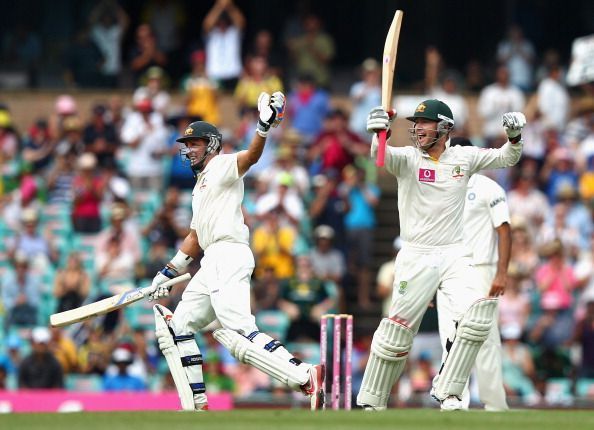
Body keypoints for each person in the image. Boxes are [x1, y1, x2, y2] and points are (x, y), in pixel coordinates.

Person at [148, 91, 324, 412]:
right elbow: (194, 237)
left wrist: (262, 127)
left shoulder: (223, 165)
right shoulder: (199, 186)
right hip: (210, 260)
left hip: (229, 255)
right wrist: (167, 273)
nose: (188, 150)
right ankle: (196, 404)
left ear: (212, 145)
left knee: (240, 332)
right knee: (181, 325)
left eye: (195, 144)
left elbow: (251, 157)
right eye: (186, 145)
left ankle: (304, 374)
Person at [357, 99, 526, 411]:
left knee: (474, 320)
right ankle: (372, 400)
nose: (418, 128)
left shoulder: (464, 157)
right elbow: (380, 158)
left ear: (445, 128)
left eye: (426, 122)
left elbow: (507, 157)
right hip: (415, 255)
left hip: (455, 253)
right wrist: (380, 133)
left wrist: (515, 136)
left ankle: (449, 392)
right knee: (397, 331)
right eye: (415, 123)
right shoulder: (408, 159)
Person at [435, 137, 510, 411]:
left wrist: (501, 272)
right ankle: (454, 400)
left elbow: (504, 229)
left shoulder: (489, 188)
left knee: (486, 338)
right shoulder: (442, 189)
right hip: (448, 269)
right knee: (450, 337)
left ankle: (495, 405)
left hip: (481, 270)